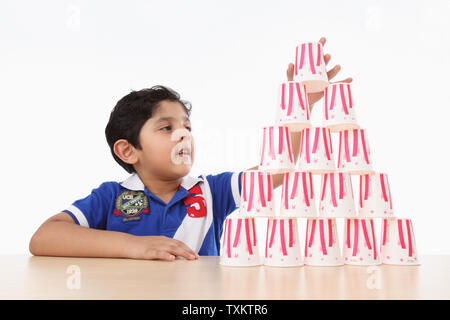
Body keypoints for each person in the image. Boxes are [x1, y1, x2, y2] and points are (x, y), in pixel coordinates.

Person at [29, 37, 351, 261]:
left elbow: (275, 170)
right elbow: (43, 238)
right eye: (167, 128)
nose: (183, 135)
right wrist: (133, 246)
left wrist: (299, 108)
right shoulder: (110, 198)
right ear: (128, 151)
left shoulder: (213, 191)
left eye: (187, 127)